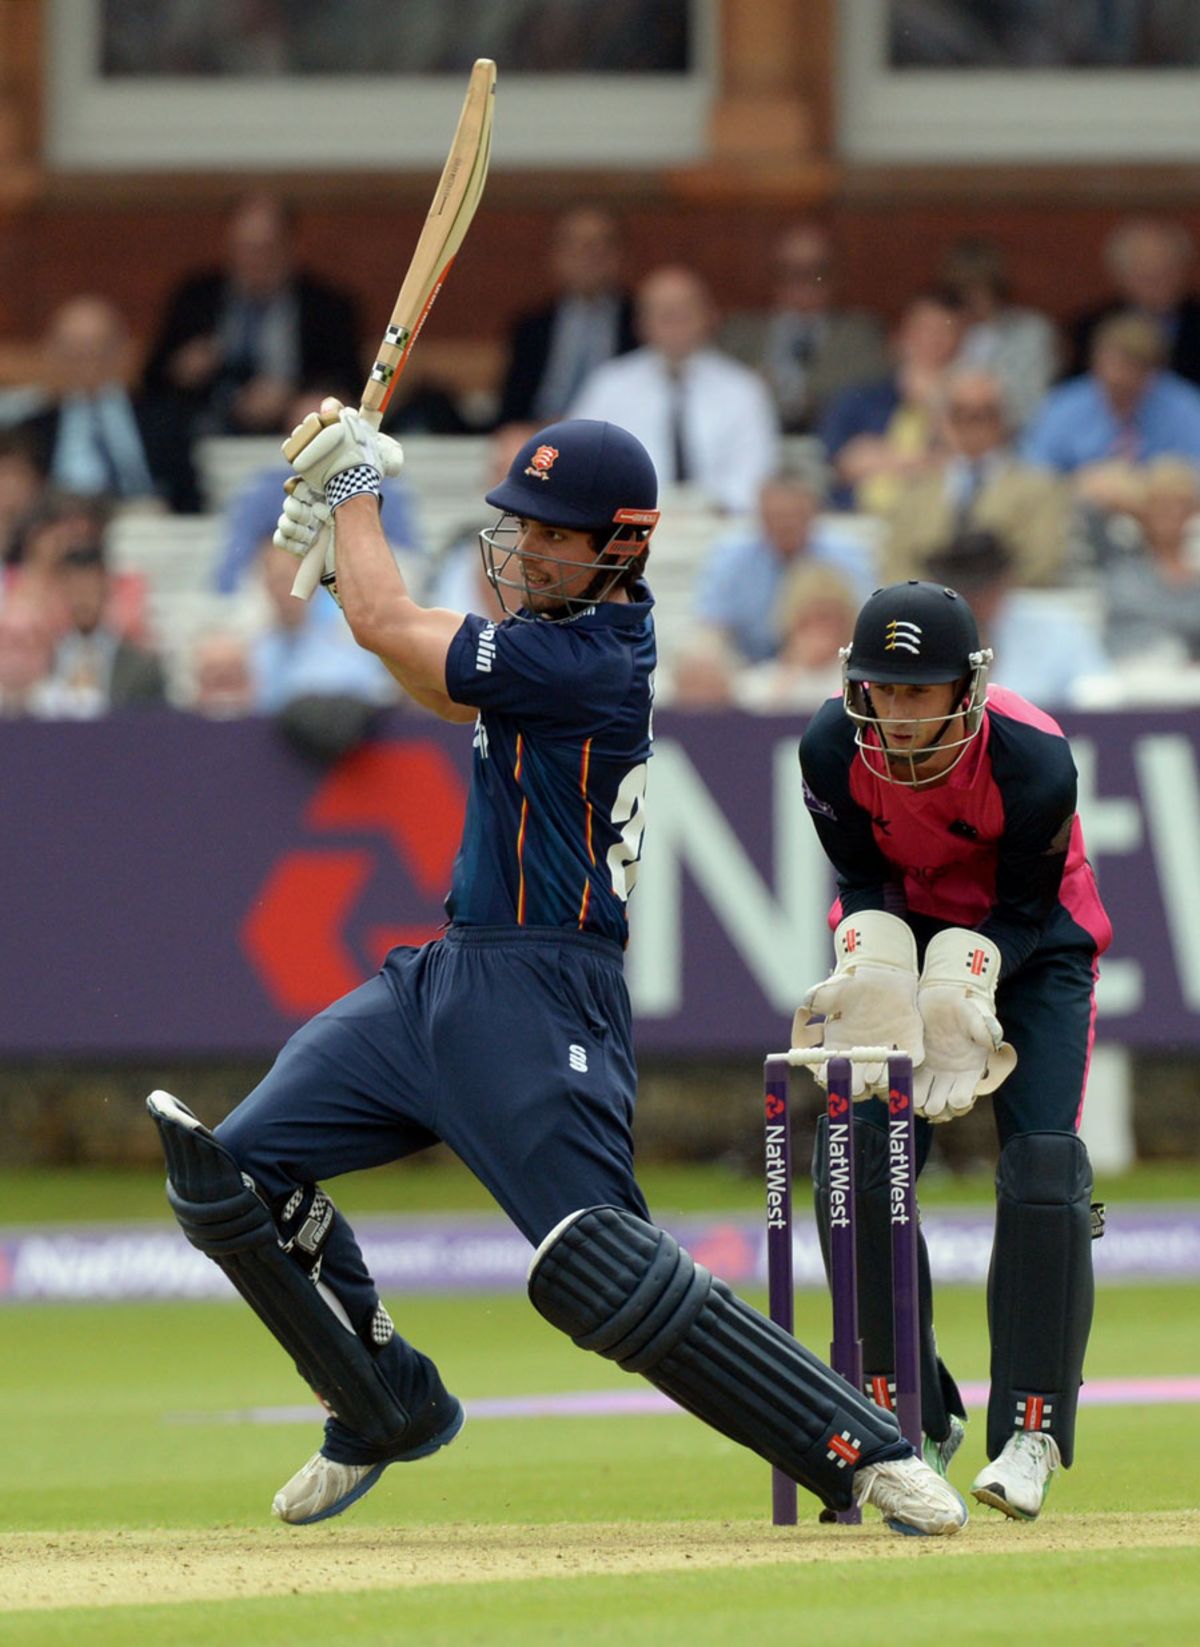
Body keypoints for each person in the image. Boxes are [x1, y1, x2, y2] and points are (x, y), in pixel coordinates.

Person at [147, 409, 966, 1537]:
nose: (523, 551)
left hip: (542, 996)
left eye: (549, 536)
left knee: (600, 1273)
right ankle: (382, 1402)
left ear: (617, 548)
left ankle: (862, 1446)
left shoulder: (591, 656)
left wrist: (352, 505)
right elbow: (429, 677)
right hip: (442, 978)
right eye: (516, 527)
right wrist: (344, 566)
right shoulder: (544, 644)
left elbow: (400, 620)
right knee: (231, 1175)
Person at [796, 578, 1112, 1521]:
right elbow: (859, 875)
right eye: (880, 691)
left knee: (1045, 1168)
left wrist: (970, 976)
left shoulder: (1033, 760)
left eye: (918, 692)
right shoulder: (828, 747)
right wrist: (880, 961)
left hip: (1032, 950)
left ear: (966, 687)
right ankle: (910, 1420)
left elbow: (1024, 906)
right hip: (909, 943)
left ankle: (1033, 1431)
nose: (895, 716)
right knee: (854, 1163)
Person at [142, 192, 362, 436]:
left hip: (296, 423)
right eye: (246, 248)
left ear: (290, 246)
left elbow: (348, 379)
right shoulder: (196, 299)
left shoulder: (327, 306)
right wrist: (184, 368)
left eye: (266, 249)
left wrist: (291, 394)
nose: (255, 261)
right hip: (209, 420)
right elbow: (152, 378)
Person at [569, 265, 781, 514]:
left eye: (685, 313)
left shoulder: (743, 389)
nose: (675, 325)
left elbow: (756, 470)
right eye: (664, 315)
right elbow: (581, 461)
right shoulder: (609, 384)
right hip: (628, 528)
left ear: (710, 316)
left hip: (720, 526)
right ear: (641, 323)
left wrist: (707, 509)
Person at [881, 366, 1072, 588]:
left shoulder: (1040, 488)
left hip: (1004, 609)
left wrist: (983, 595)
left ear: (1004, 419)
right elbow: (895, 561)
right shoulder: (918, 489)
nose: (973, 425)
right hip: (928, 611)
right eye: (960, 414)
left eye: (985, 414)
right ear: (943, 421)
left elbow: (1042, 561)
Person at [15, 297, 201, 514]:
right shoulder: (31, 430)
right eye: (74, 351)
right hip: (60, 530)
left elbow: (189, 498)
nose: (87, 361)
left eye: (98, 348)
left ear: (121, 351)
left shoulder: (164, 419)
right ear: (53, 355)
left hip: (146, 530)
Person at [693, 470, 875, 666]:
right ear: (760, 515)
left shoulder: (846, 557)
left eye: (793, 515)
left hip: (828, 666)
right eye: (776, 516)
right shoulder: (731, 558)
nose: (785, 525)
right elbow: (711, 626)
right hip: (748, 671)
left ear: (812, 512)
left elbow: (865, 627)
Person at [720, 223, 889, 433]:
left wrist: (806, 397)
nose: (804, 285)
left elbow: (870, 392)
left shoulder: (860, 335)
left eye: (817, 273)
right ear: (774, 277)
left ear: (835, 277)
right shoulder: (740, 333)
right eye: (791, 273)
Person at [819, 291, 964, 512]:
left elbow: (967, 468)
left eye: (944, 332)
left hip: (934, 525)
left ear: (960, 343)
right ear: (901, 338)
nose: (933, 342)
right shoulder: (860, 397)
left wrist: (936, 405)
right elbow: (842, 465)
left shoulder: (973, 403)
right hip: (857, 519)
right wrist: (929, 462)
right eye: (924, 330)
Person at [495, 204, 638, 428]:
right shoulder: (531, 327)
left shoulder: (640, 321)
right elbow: (511, 410)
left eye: (600, 245)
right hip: (541, 443)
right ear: (556, 256)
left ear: (619, 255)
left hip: (618, 438)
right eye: (576, 246)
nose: (589, 256)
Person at [1022, 311, 1200, 485]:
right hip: (1082, 505)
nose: (1120, 377)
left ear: (1154, 372)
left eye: (1133, 369)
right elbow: (1035, 470)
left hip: (1162, 506)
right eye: (1112, 367)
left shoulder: (1184, 406)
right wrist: (1080, 482)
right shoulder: (1064, 405)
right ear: (1095, 364)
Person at [938, 238, 1058, 430]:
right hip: (952, 444)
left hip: (1017, 443)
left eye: (979, 287)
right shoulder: (948, 330)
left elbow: (1033, 405)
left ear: (997, 286)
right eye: (962, 290)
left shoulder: (1030, 330)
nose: (971, 298)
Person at [39, 541, 167, 717]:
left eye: (89, 589)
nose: (82, 600)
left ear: (107, 589)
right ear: (62, 592)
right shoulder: (43, 660)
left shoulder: (143, 667)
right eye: (74, 590)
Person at [1069, 217, 1200, 385]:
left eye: (1167, 270)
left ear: (1185, 271)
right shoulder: (1090, 327)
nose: (1158, 281)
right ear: (1121, 276)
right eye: (1145, 274)